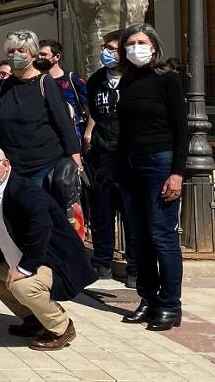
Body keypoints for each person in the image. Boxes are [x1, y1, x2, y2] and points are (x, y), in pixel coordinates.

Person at [0, 145, 93, 351]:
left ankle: (60, 327)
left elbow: (41, 228)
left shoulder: (25, 191)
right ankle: (33, 318)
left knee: (23, 286)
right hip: (23, 259)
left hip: (54, 261)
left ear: (5, 165)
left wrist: (24, 268)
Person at [114, 23, 187, 331]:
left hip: (161, 162)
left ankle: (170, 305)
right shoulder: (126, 83)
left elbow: (182, 130)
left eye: (141, 42)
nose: (135, 47)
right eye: (129, 43)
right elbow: (123, 131)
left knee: (162, 235)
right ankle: (148, 298)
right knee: (138, 237)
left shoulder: (168, 80)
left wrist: (177, 174)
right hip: (131, 166)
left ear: (154, 47)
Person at [0, 30, 81, 189]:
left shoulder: (45, 83)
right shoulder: (1, 87)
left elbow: (63, 124)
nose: (15, 54)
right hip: (10, 170)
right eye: (11, 51)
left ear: (33, 54)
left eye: (21, 50)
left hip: (43, 168)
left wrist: (75, 160)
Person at [84, 31, 132, 282]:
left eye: (112, 48)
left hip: (129, 158)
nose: (107, 52)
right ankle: (101, 262)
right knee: (101, 214)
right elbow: (94, 111)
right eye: (105, 47)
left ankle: (134, 266)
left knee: (131, 216)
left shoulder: (136, 79)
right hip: (102, 157)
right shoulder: (95, 81)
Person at [38, 39, 90, 141]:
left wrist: (88, 132)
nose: (40, 58)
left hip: (73, 135)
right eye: (38, 55)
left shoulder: (72, 79)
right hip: (48, 137)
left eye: (43, 54)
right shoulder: (38, 81)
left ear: (57, 57)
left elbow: (92, 104)